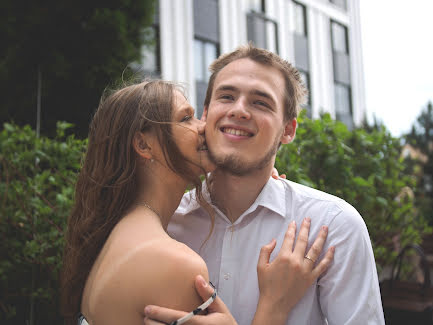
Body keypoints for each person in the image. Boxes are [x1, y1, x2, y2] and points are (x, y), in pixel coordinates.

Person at [144, 45, 385, 325]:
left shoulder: (334, 226)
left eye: (260, 102)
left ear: (288, 130)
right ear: (206, 114)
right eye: (227, 96)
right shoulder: (165, 224)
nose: (239, 110)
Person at [60, 80, 334, 325]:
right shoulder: (173, 264)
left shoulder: (118, 234)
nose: (203, 127)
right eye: (186, 118)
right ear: (144, 145)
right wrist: (273, 306)